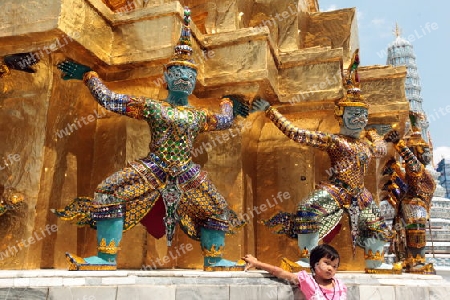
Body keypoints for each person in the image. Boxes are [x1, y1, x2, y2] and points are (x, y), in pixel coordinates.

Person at [52, 7, 254, 271]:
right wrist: (88, 75)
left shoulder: (199, 115)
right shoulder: (152, 107)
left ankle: (214, 260)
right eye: (179, 74)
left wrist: (229, 104)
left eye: (191, 75)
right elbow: (110, 99)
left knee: (217, 208)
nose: (185, 78)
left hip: (186, 172)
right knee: (108, 191)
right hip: (154, 167)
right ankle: (105, 257)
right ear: (167, 77)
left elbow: (225, 121)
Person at [253, 50, 400, 274]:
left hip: (360, 194)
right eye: (353, 114)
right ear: (340, 115)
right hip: (337, 189)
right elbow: (297, 134)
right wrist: (270, 111)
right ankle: (307, 258)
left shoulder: (365, 143)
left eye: (362, 116)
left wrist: (377, 139)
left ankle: (375, 262)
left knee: (377, 225)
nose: (359, 120)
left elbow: (380, 142)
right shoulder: (334, 141)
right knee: (307, 209)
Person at [383, 116, 436, 274]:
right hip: (407, 207)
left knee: (415, 231)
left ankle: (417, 262)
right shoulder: (411, 171)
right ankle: (407, 261)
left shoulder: (421, 172)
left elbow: (413, 164)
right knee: (404, 235)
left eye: (427, 151)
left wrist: (398, 143)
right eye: (423, 150)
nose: (426, 154)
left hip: (416, 209)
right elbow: (408, 169)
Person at [243, 244, 347, 300]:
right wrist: (257, 263)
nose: (330, 268)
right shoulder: (307, 281)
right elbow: (279, 272)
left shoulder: (339, 285)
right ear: (315, 262)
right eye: (327, 263)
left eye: (334, 266)